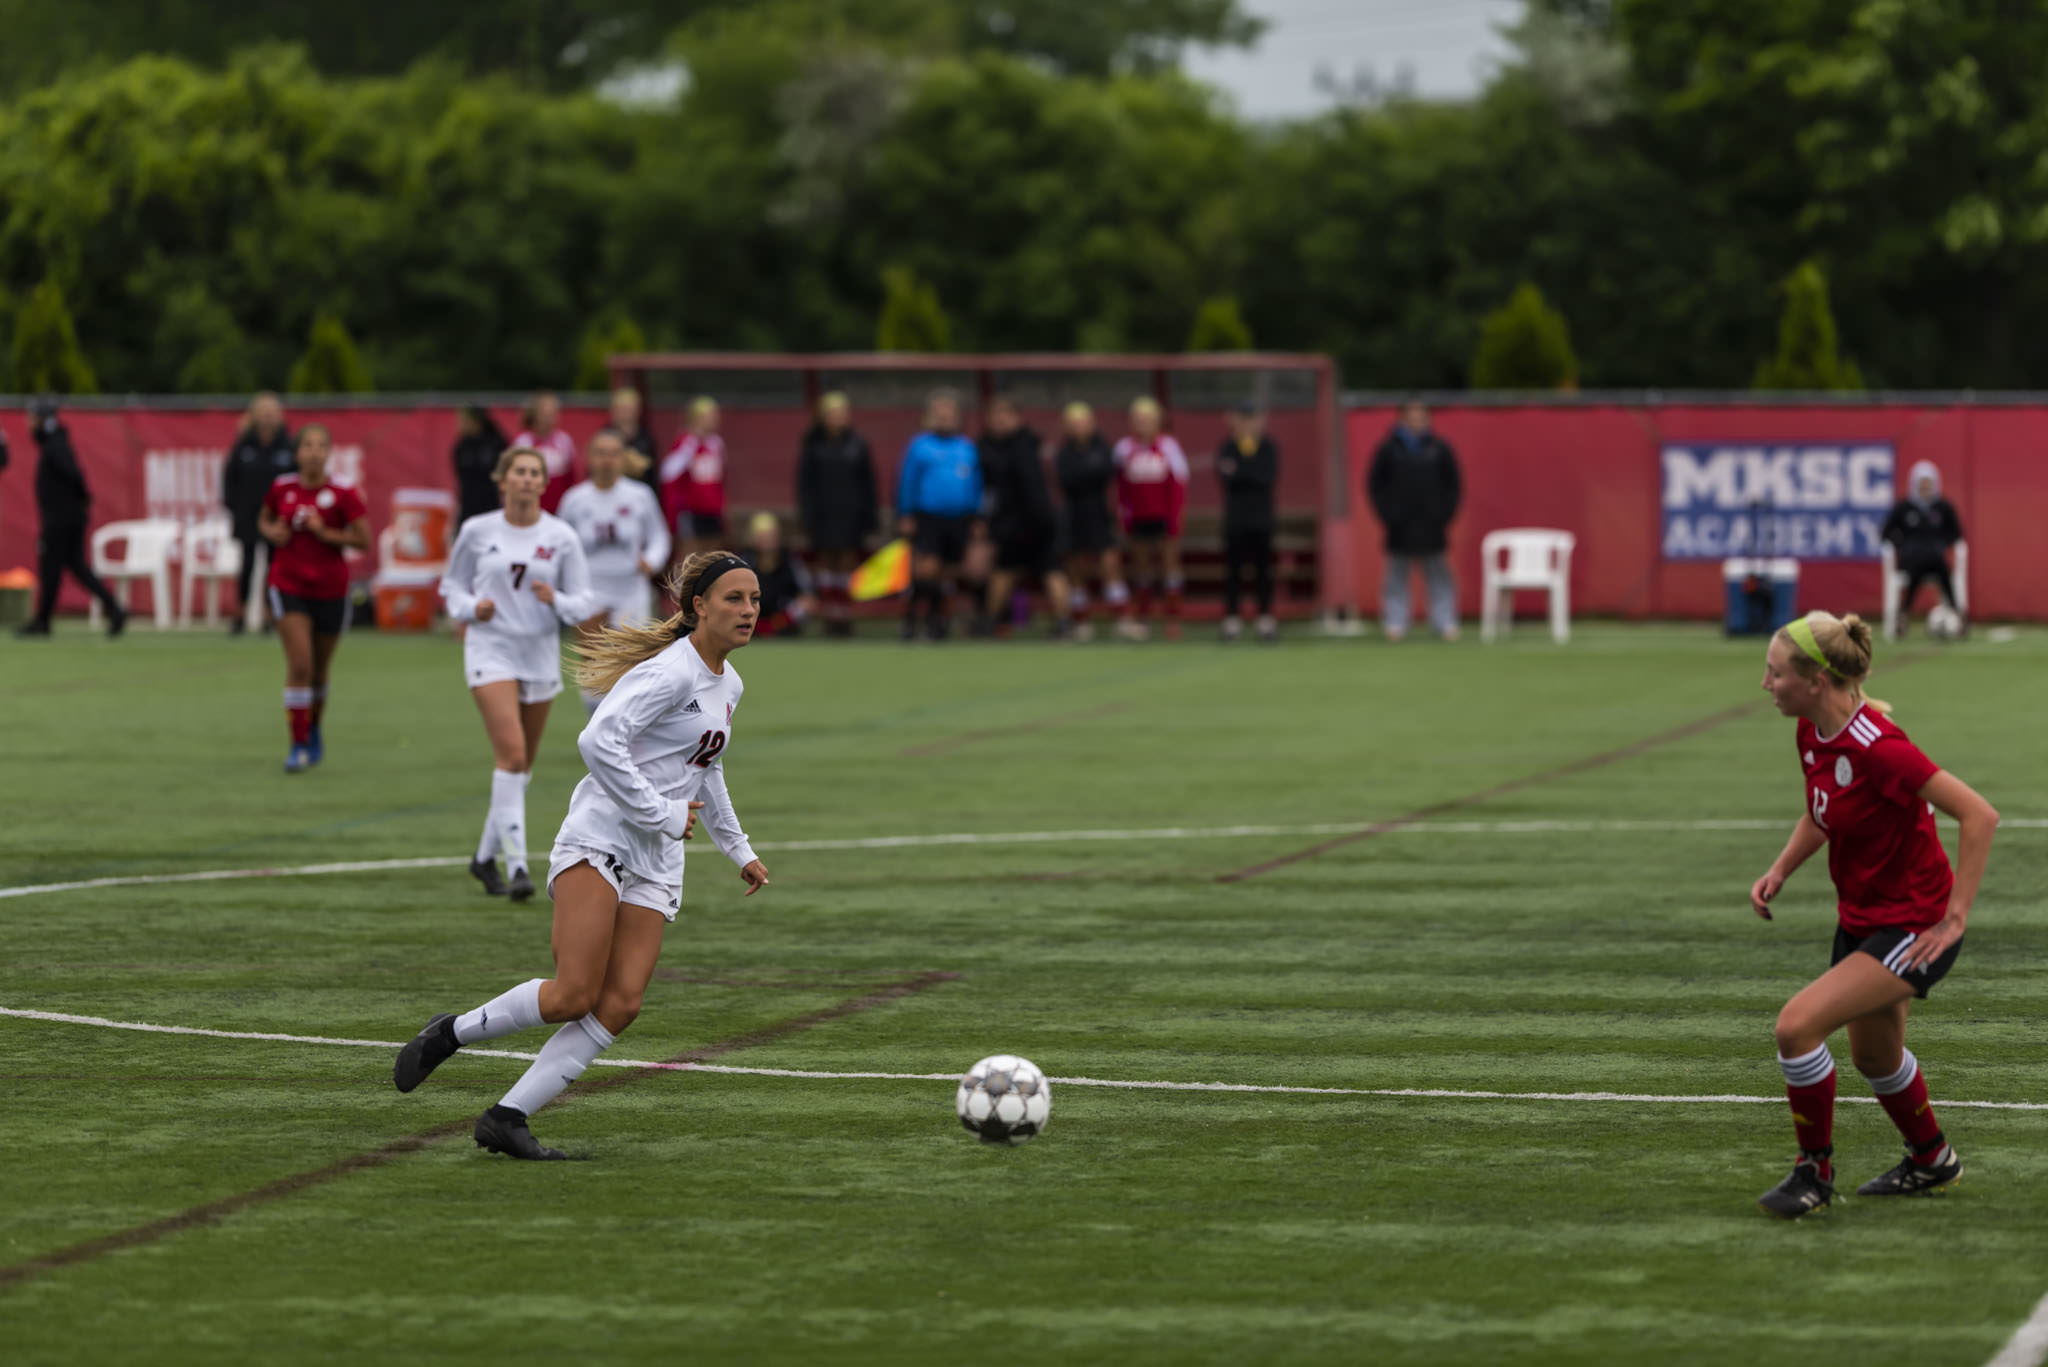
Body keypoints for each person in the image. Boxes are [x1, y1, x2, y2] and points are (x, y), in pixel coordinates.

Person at [391, 551, 771, 1161]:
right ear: (698, 606)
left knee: (620, 1004)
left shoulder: (729, 684)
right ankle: (452, 1032)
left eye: (754, 599)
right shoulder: (670, 672)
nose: (748, 610)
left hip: (657, 857)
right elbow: (597, 742)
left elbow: (707, 765)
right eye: (734, 598)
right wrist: (660, 812)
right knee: (573, 993)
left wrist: (739, 848)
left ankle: (506, 1116)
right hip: (601, 836)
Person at [1749, 610, 2000, 1218]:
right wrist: (1782, 868)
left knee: (1796, 1027)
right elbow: (1824, 810)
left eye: (1775, 672)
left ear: (1815, 680)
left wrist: (1955, 916)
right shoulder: (1813, 731)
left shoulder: (1881, 748)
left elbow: (1979, 815)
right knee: (1876, 1059)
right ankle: (1932, 1159)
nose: (1765, 684)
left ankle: (1814, 1174)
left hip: (1915, 926)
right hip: (1866, 917)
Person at [440, 447, 594, 902]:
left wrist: (558, 602)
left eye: (534, 473)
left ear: (544, 483)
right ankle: (519, 865)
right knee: (510, 755)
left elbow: (583, 598)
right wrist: (471, 609)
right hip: (491, 648)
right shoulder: (477, 530)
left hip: (540, 652)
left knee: (521, 764)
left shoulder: (561, 535)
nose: (526, 479)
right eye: (519, 472)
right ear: (502, 480)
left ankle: (483, 857)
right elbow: (451, 585)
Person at [257, 426, 371, 772]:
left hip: (331, 590)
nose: (314, 452)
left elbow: (362, 540)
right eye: (307, 446)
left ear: (329, 453)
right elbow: (264, 519)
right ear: (296, 453)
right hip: (288, 585)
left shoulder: (342, 492)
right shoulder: (282, 488)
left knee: (320, 673)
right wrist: (272, 531)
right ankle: (298, 744)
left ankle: (314, 727)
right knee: (301, 664)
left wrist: (326, 533)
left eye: (321, 446)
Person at [558, 429, 671, 711]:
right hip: (590, 589)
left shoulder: (639, 496)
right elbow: (560, 543)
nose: (607, 460)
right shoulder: (575, 500)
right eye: (601, 453)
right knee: (592, 660)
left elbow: (660, 536)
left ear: (622, 459)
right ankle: (596, 724)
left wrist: (652, 560)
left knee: (633, 660)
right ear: (590, 458)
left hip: (630, 590)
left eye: (613, 454)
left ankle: (630, 723)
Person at [15, 396, 127, 639]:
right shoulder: (54, 442)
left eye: (33, 418)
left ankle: (43, 620)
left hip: (61, 518)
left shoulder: (55, 445)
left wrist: (82, 496)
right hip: (66, 516)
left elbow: (73, 472)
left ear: (43, 420)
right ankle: (114, 608)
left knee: (51, 567)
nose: (28, 423)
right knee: (75, 567)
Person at [1368, 399, 1462, 642]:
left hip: (1432, 524)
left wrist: (1444, 514)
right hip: (1400, 524)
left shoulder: (1439, 448)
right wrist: (1388, 514)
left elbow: (1453, 485)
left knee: (1439, 574)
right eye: (1412, 416)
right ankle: (1396, 623)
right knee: (1397, 575)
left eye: (1421, 416)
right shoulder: (1389, 449)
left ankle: (1444, 622)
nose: (1417, 420)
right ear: (1402, 418)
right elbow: (1375, 486)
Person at [978, 394, 1071, 638]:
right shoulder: (988, 447)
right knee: (1003, 571)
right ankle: (990, 622)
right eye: (995, 415)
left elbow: (1037, 488)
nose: (999, 420)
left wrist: (1043, 520)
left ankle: (1064, 622)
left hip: (1037, 521)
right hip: (1010, 523)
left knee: (1050, 570)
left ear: (1017, 417)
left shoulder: (1026, 445)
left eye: (1005, 415)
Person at [895, 389, 982, 642]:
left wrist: (976, 516)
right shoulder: (920, 446)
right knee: (926, 569)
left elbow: (976, 483)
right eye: (939, 413)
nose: (945, 418)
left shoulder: (967, 447)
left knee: (948, 571)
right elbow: (907, 481)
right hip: (928, 517)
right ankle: (913, 617)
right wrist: (906, 513)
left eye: (949, 413)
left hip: (959, 519)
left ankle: (938, 621)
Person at [795, 391, 877, 637]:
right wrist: (807, 517)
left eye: (841, 413)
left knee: (847, 564)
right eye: (832, 414)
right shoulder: (812, 445)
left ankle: (845, 614)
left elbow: (868, 483)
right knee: (827, 563)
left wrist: (868, 517)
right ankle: (829, 614)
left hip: (851, 515)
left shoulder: (858, 445)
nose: (837, 418)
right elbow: (805, 485)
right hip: (823, 515)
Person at [1113, 397, 1190, 641]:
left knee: (1170, 567)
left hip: (1164, 517)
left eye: (1148, 419)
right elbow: (1120, 486)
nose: (1143, 423)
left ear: (1158, 421)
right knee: (1141, 569)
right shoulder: (1124, 448)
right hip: (1138, 518)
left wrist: (1175, 518)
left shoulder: (1169, 446)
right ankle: (1143, 617)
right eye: (1138, 419)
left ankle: (1172, 618)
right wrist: (1124, 516)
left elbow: (1179, 484)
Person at [1055, 401, 1130, 642]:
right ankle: (1081, 622)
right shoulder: (1064, 453)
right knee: (1075, 569)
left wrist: (1086, 473)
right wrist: (1088, 472)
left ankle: (1121, 620)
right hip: (1073, 516)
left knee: (1110, 565)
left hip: (1099, 515)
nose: (1079, 428)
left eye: (1083, 423)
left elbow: (1104, 473)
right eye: (1074, 424)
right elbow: (1068, 479)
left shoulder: (1104, 449)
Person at [220, 391, 294, 633]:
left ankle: (269, 614)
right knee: (248, 565)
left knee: (274, 567)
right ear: (253, 416)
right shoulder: (243, 446)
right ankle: (240, 615)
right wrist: (234, 507)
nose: (267, 418)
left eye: (271, 413)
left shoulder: (287, 447)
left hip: (277, 517)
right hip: (247, 517)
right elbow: (229, 480)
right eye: (262, 413)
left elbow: (295, 481)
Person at [1880, 460, 1966, 639]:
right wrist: (1901, 543)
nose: (1925, 488)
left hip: (1936, 559)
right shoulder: (1904, 508)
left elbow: (1956, 532)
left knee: (1941, 568)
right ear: (1914, 484)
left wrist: (1942, 542)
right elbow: (1886, 532)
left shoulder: (1943, 507)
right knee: (1919, 565)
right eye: (1922, 484)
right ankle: (1904, 615)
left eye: (1928, 484)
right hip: (1911, 559)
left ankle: (1955, 613)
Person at [1217, 403, 1280, 644]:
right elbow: (1226, 478)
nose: (1248, 424)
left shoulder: (1268, 446)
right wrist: (1246, 473)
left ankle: (1265, 619)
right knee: (1233, 570)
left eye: (1252, 419)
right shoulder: (1228, 447)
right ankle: (1232, 619)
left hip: (1262, 519)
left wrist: (1241, 471)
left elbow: (1266, 477)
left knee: (1263, 571)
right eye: (1243, 419)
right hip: (1235, 519)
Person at [659, 397, 727, 559]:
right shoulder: (686, 442)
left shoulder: (716, 443)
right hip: (690, 510)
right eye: (708, 417)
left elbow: (719, 477)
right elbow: (668, 472)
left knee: (713, 552)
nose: (713, 421)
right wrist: (690, 448)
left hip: (712, 508)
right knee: (690, 554)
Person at [739, 510, 815, 637]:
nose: (768, 541)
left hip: (782, 616)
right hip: (752, 615)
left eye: (771, 536)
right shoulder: (743, 562)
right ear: (754, 538)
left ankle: (773, 629)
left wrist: (779, 621)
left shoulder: (791, 560)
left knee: (805, 604)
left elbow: (807, 593)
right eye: (763, 537)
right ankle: (757, 629)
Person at [512, 392, 581, 514]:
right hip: (531, 507)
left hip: (559, 507)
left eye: (553, 413)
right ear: (535, 414)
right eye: (545, 413)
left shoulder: (564, 440)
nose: (549, 417)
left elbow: (571, 475)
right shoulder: (523, 442)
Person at [451, 405, 509, 527]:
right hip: (468, 509)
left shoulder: (496, 443)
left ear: (476, 421)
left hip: (491, 507)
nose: (460, 425)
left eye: (464, 421)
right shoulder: (461, 447)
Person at [607, 387, 659, 483]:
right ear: (614, 410)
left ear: (638, 410)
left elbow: (651, 471)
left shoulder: (646, 437)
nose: (626, 413)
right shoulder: (604, 436)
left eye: (630, 409)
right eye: (622, 408)